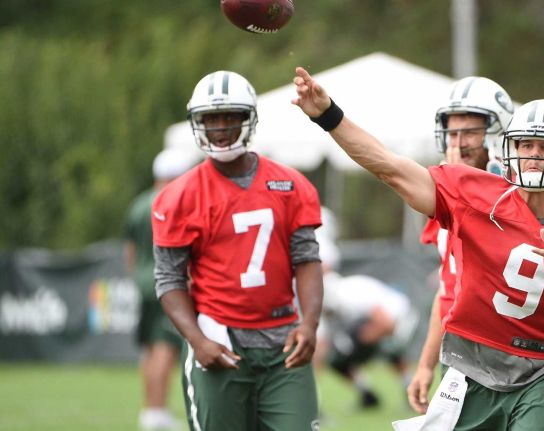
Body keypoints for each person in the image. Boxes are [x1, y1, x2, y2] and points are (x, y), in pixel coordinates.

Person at [293, 67, 544, 430]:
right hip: (471, 366)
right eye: (526, 145)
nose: (534, 156)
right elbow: (390, 167)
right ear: (510, 147)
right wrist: (329, 115)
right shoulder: (474, 194)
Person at [151, 70, 324, 431]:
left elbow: (307, 259)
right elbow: (168, 279)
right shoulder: (180, 195)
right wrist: (197, 341)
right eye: (210, 119)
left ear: (249, 119)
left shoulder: (290, 184)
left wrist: (309, 323)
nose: (220, 127)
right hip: (220, 338)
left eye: (230, 116)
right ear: (197, 124)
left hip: (284, 342)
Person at [408, 76, 515, 414]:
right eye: (453, 133)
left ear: (496, 134)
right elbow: (448, 292)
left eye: (469, 132)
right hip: (462, 354)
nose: (459, 143)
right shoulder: (443, 200)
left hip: (518, 353)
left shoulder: (519, 196)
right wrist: (426, 363)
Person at [124, 147, 201, 430]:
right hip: (169, 284)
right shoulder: (175, 202)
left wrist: (137, 277)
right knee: (166, 348)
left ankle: (151, 409)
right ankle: (156, 413)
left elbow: (130, 250)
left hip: (144, 282)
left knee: (150, 349)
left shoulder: (138, 204)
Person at [314, 207, 420, 409]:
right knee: (348, 351)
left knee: (345, 354)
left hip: (399, 322)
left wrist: (361, 343)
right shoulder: (344, 289)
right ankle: (371, 394)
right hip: (397, 319)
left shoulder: (347, 296)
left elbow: (385, 322)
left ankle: (406, 392)